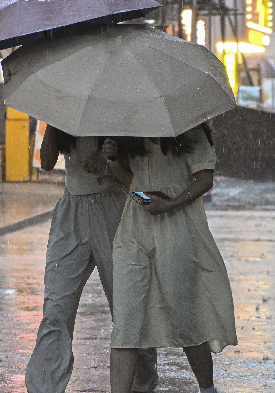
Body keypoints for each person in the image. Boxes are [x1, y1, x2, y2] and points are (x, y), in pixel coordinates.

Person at [25, 126, 158, 393]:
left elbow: (134, 178)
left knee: (126, 306)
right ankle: (45, 387)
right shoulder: (66, 110)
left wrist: (108, 156)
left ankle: (140, 383)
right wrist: (52, 123)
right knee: (56, 308)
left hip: (113, 210)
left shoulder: (116, 114)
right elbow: (47, 163)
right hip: (71, 213)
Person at [107, 124, 237, 393]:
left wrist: (170, 203)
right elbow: (129, 179)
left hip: (178, 225)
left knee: (184, 314)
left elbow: (204, 178)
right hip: (134, 228)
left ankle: (207, 388)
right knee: (126, 320)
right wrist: (111, 158)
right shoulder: (129, 128)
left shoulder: (188, 127)